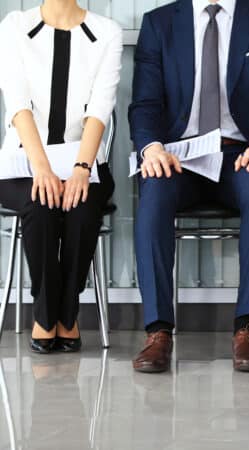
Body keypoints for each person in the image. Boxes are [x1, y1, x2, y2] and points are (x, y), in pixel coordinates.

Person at [129, 0, 249, 373]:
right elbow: (143, 105)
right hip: (179, 156)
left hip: (240, 154)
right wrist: (152, 148)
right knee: (154, 189)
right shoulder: (159, 23)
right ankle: (158, 333)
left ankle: (248, 330)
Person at [0, 0, 121, 353]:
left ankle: (67, 314)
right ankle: (45, 312)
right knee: (41, 204)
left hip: (80, 163)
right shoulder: (14, 26)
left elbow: (100, 108)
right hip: (25, 164)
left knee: (82, 209)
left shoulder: (107, 32)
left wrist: (82, 169)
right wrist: (42, 168)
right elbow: (18, 105)